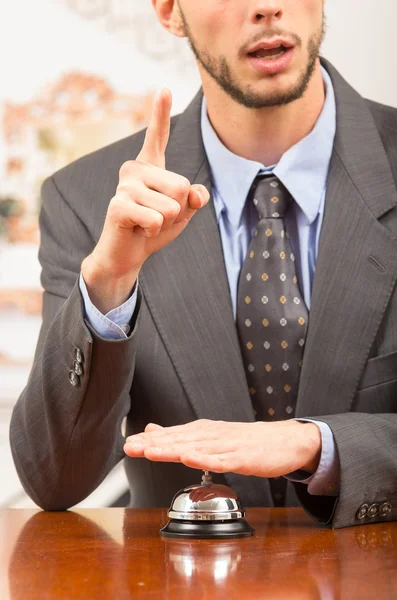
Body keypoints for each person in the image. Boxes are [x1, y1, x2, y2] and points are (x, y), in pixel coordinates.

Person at [9, 0, 397, 529]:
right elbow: (55, 480)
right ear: (170, 11)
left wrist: (318, 443)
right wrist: (110, 285)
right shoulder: (86, 199)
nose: (267, 7)